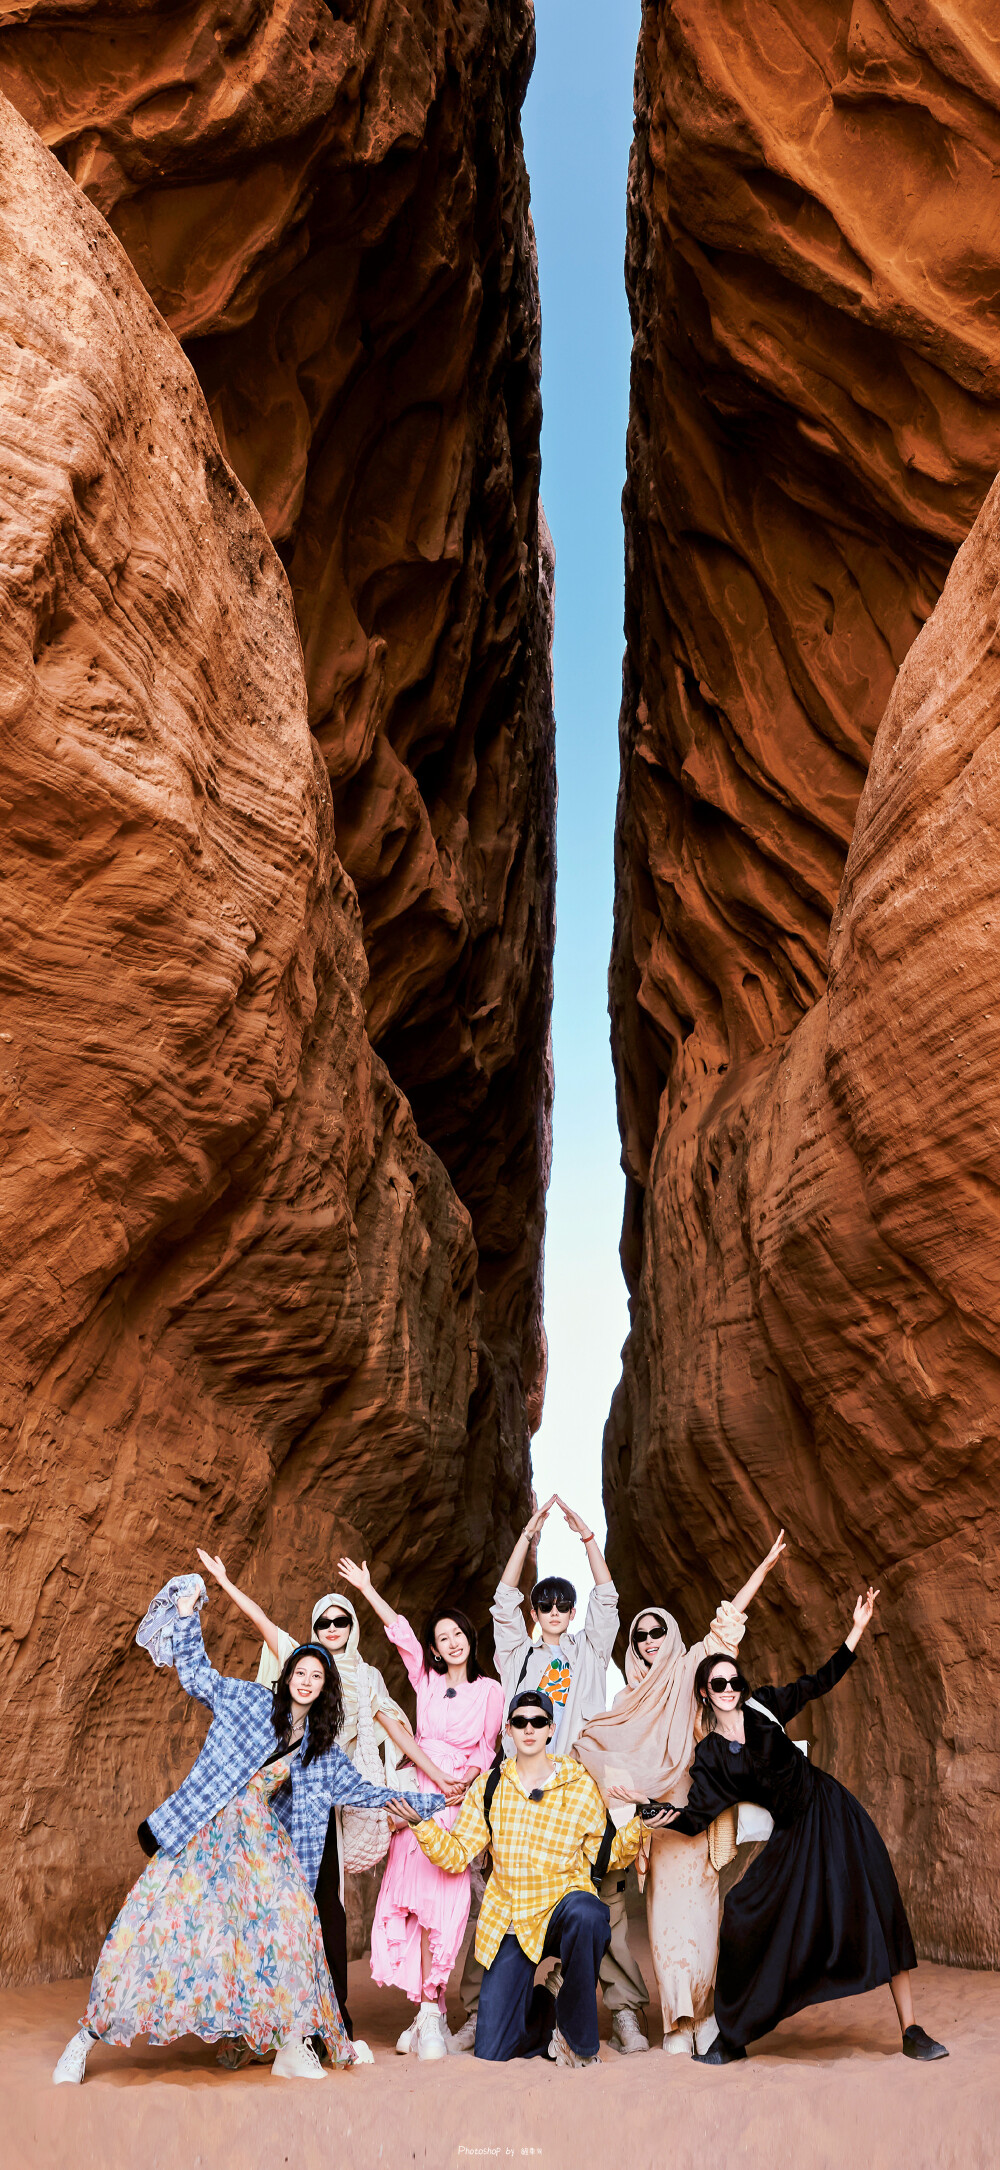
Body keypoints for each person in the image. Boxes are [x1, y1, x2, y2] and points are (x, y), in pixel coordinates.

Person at [52, 1587, 445, 2086]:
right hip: (206, 1832)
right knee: (154, 1929)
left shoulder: (319, 1751)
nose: (306, 1681)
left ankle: (291, 2045)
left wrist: (432, 1803)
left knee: (292, 1930)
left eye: (316, 1677)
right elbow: (199, 1679)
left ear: (326, 1689)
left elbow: (365, 1790)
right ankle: (85, 2038)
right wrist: (186, 1615)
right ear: (287, 1677)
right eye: (300, 1672)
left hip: (261, 1847)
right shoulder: (250, 1701)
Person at [648, 1588, 948, 2065]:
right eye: (719, 1684)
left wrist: (856, 1629)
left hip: (831, 1811)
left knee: (880, 1905)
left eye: (734, 1681)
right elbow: (698, 1815)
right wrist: (665, 1817)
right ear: (705, 1692)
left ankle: (911, 2029)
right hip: (792, 1833)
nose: (729, 1690)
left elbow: (819, 1682)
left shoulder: (765, 1706)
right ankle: (735, 2034)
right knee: (745, 1911)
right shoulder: (708, 1757)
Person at [194, 1549, 460, 2040]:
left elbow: (399, 1734)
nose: (332, 1628)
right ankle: (260, 2021)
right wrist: (225, 1583)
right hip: (278, 1797)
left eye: (341, 1621)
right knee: (267, 1902)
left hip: (329, 1795)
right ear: (313, 1630)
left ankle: (332, 2016)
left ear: (351, 1627)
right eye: (323, 1622)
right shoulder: (303, 1662)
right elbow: (261, 1622)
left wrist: (439, 1777)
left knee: (326, 1906)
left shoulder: (365, 1676)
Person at [574, 1530, 788, 2056]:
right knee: (668, 1921)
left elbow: (725, 1629)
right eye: (641, 1634)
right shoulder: (626, 1697)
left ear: (670, 1636)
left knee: (704, 1917)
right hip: (659, 1824)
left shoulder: (692, 1670)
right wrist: (613, 1777)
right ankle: (676, 2021)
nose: (649, 1640)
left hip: (701, 1816)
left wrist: (763, 1567)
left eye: (657, 1631)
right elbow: (590, 1741)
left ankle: (706, 2012)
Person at [395, 1688, 643, 2066]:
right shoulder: (489, 1787)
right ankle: (549, 1999)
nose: (529, 1729)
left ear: (550, 1729)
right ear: (508, 1730)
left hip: (563, 1904)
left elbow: (604, 1857)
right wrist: (421, 1825)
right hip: (511, 1915)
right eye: (520, 1722)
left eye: (538, 1721)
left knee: (589, 1913)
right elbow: (458, 1854)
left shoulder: (578, 1785)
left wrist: (643, 1825)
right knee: (493, 2050)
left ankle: (575, 2042)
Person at [482, 1494, 648, 2054]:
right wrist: (527, 1536)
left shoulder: (589, 1653)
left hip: (581, 1792)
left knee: (605, 1900)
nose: (554, 1613)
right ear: (535, 1612)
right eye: (544, 1605)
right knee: (502, 1897)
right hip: (525, 1794)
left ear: (571, 1613)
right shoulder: (516, 1658)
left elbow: (608, 1598)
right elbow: (501, 1600)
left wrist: (587, 1541)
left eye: (562, 1605)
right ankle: (481, 2008)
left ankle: (622, 2010)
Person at [339, 1557, 504, 2061]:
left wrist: (467, 1781)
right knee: (411, 1900)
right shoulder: (426, 1682)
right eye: (443, 1637)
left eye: (458, 1634)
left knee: (448, 1902)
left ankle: (431, 2010)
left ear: (470, 1639)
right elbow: (399, 1634)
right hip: (419, 1790)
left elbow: (488, 1750)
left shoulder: (491, 1690)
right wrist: (368, 1587)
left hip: (459, 1797)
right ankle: (427, 2012)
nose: (451, 1642)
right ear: (434, 1648)